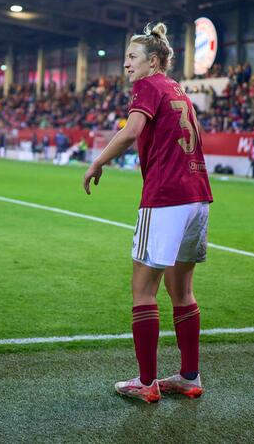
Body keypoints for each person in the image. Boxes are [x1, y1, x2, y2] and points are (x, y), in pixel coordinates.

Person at [82, 23, 212, 403]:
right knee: (182, 291)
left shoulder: (148, 86)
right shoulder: (178, 90)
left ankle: (146, 382)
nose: (126, 66)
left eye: (132, 58)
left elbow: (131, 130)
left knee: (143, 291)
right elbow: (197, 135)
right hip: (198, 196)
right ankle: (189, 375)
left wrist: (97, 162)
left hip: (166, 197)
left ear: (153, 62)